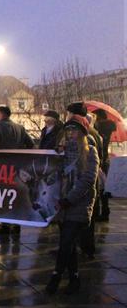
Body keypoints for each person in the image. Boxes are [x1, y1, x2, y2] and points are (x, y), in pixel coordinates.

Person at [45, 115, 99, 295]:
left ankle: (56, 275)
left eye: (74, 129)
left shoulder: (90, 151)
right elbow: (53, 174)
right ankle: (74, 278)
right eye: (68, 130)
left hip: (78, 204)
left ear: (82, 132)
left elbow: (88, 179)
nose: (70, 133)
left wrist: (70, 199)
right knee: (68, 244)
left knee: (66, 242)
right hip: (62, 205)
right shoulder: (63, 152)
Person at [0, 106, 34, 237]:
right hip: (18, 167)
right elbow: (31, 144)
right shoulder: (19, 128)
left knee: (4, 196)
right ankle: (16, 224)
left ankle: (5, 224)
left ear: (0, 114)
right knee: (16, 196)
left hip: (2, 168)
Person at [66, 102, 102, 259]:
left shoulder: (88, 136)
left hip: (83, 188)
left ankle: (86, 249)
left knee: (84, 221)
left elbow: (88, 171)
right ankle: (85, 249)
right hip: (83, 187)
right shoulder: (93, 132)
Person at [93, 108, 116, 221]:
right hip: (105, 158)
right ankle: (105, 211)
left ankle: (99, 212)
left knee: (98, 186)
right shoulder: (109, 127)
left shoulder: (99, 128)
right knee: (104, 186)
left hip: (99, 159)